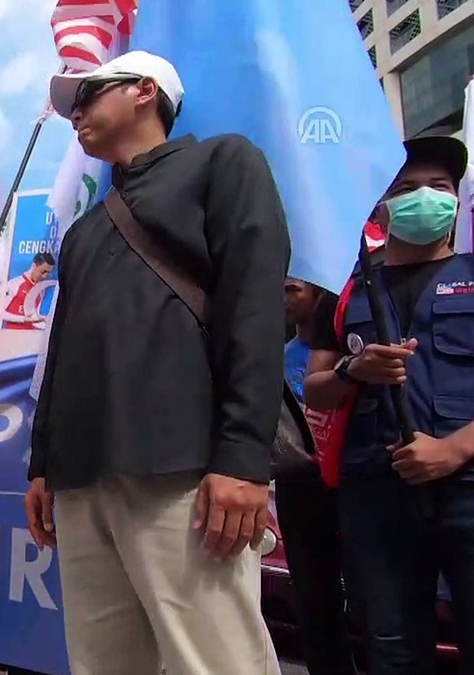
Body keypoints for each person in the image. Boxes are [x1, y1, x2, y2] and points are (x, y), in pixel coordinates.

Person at [26, 51, 286, 675]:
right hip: (82, 479)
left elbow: (255, 311)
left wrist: (243, 460)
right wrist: (42, 466)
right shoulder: (84, 233)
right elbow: (60, 353)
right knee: (101, 663)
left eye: (89, 94)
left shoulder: (225, 162)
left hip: (184, 471)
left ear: (145, 91)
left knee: (216, 662)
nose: (77, 111)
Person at [303, 135, 473, 674]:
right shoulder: (346, 289)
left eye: (439, 187)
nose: (425, 197)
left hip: (467, 487)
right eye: (407, 188)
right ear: (382, 206)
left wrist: (452, 451)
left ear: (457, 199)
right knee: (393, 645)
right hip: (374, 491)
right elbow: (316, 387)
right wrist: (354, 372)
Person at [277, 278, 358, 675]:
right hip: (300, 484)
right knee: (313, 598)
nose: (284, 299)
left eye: (293, 290)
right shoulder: (281, 355)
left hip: (350, 480)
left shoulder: (350, 355)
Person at [0, 252, 56, 330]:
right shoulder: (15, 284)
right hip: (12, 335)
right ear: (34, 266)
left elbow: (34, 316)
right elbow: (1, 314)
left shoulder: (40, 289)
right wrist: (23, 319)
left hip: (30, 336)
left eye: (48, 273)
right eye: (43, 272)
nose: (45, 276)